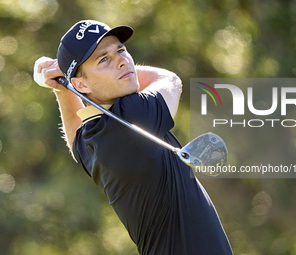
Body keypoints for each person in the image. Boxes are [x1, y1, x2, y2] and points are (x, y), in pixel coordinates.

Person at [37, 20, 233, 255]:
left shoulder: (96, 134)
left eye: (120, 50)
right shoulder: (133, 115)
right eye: (104, 59)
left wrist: (63, 89)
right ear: (81, 84)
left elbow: (76, 138)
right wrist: (67, 82)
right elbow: (170, 80)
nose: (122, 61)